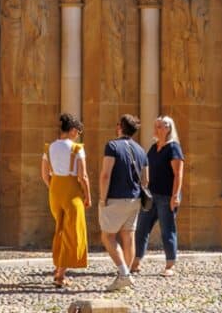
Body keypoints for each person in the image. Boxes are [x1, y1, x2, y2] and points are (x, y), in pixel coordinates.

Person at [98, 113, 149, 292]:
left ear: (119, 126)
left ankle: (124, 273)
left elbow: (105, 175)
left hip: (115, 198)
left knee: (107, 236)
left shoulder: (112, 146)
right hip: (134, 199)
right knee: (128, 236)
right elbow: (146, 180)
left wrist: (103, 199)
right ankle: (125, 276)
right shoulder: (141, 150)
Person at [41, 112, 91, 288]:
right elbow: (82, 175)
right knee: (73, 233)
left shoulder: (49, 148)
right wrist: (88, 196)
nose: (78, 135)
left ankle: (58, 270)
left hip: (55, 190)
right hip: (72, 192)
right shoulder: (77, 148)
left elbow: (44, 174)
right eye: (77, 131)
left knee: (60, 230)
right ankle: (61, 274)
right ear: (71, 131)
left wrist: (53, 188)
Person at [132, 115, 185, 277]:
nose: (156, 129)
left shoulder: (174, 148)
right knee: (141, 229)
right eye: (156, 126)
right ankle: (136, 262)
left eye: (160, 126)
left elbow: (178, 174)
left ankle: (170, 264)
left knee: (167, 230)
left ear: (168, 128)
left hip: (166, 196)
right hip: (151, 195)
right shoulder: (154, 147)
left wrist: (175, 196)